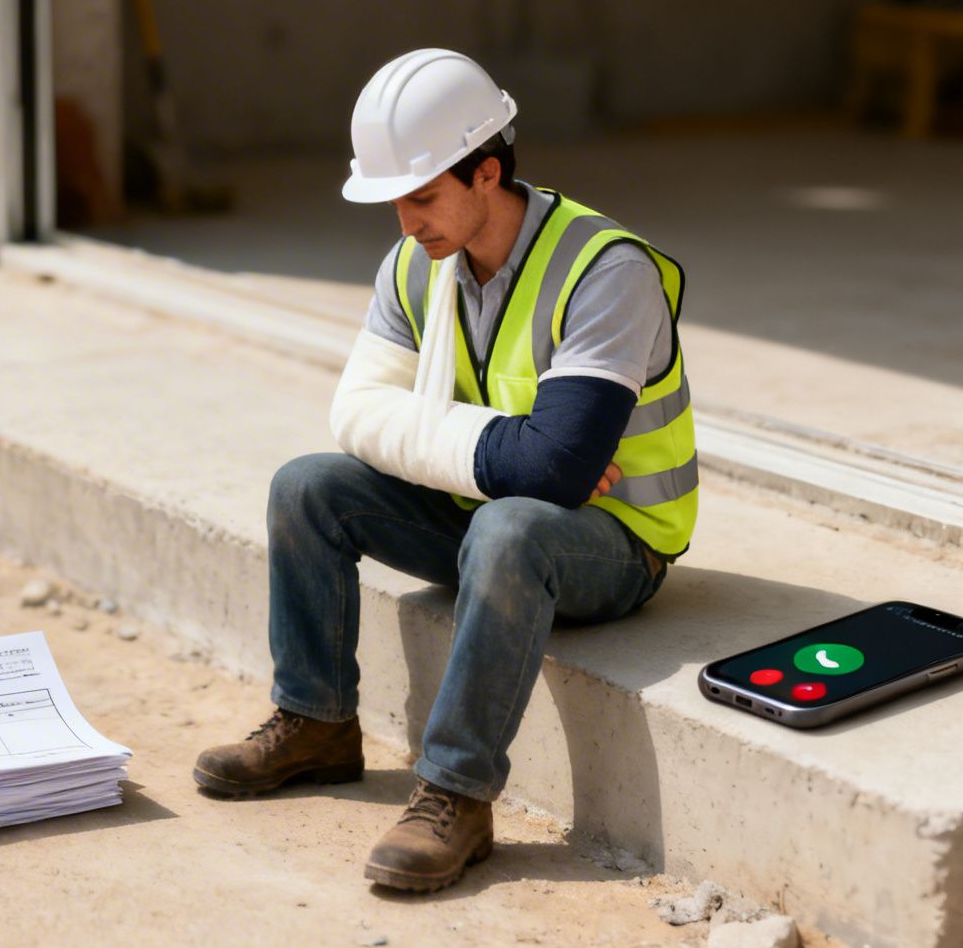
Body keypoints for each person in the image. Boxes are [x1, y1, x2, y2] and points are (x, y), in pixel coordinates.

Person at [192, 48, 699, 892]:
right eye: (394, 198)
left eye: (423, 196)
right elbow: (359, 418)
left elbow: (562, 472)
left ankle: (457, 794)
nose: (405, 222)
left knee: (510, 528)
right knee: (307, 486)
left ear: (487, 172)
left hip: (620, 542)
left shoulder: (607, 271)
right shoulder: (414, 266)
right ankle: (316, 722)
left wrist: (536, 461)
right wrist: (523, 449)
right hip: (491, 508)